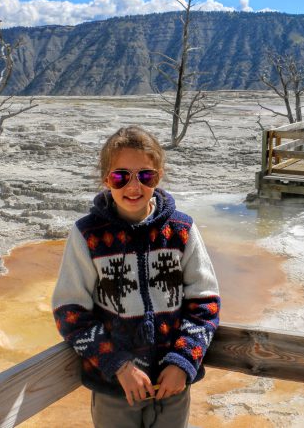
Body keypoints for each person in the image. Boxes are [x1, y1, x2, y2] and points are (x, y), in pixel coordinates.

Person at [52, 126, 220, 428]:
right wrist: (117, 365)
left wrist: (183, 361)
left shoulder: (181, 231)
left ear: (159, 176)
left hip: (173, 386)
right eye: (121, 176)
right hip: (115, 390)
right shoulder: (87, 235)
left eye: (145, 176)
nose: (133, 186)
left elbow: (205, 303)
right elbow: (70, 313)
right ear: (106, 179)